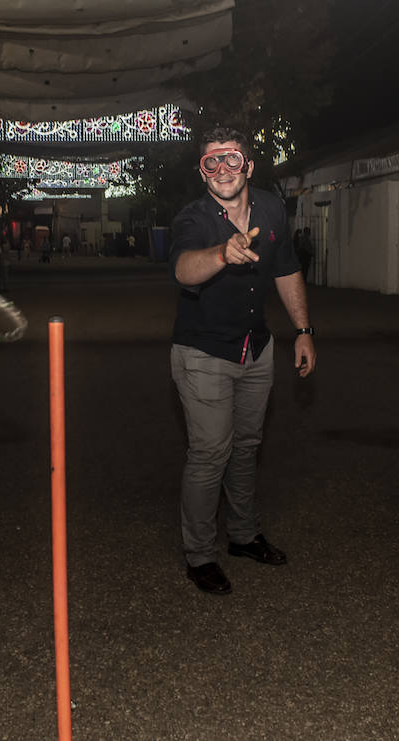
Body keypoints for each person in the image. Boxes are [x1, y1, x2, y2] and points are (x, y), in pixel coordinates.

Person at [169, 126, 316, 595]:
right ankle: (199, 555)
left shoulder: (272, 207)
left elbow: (287, 267)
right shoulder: (193, 219)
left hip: (257, 347)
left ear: (248, 165)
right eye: (211, 162)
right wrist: (221, 252)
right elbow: (183, 268)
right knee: (211, 451)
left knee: (247, 445)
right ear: (202, 172)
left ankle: (244, 534)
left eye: (232, 159)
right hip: (203, 351)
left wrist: (304, 332)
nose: (222, 170)